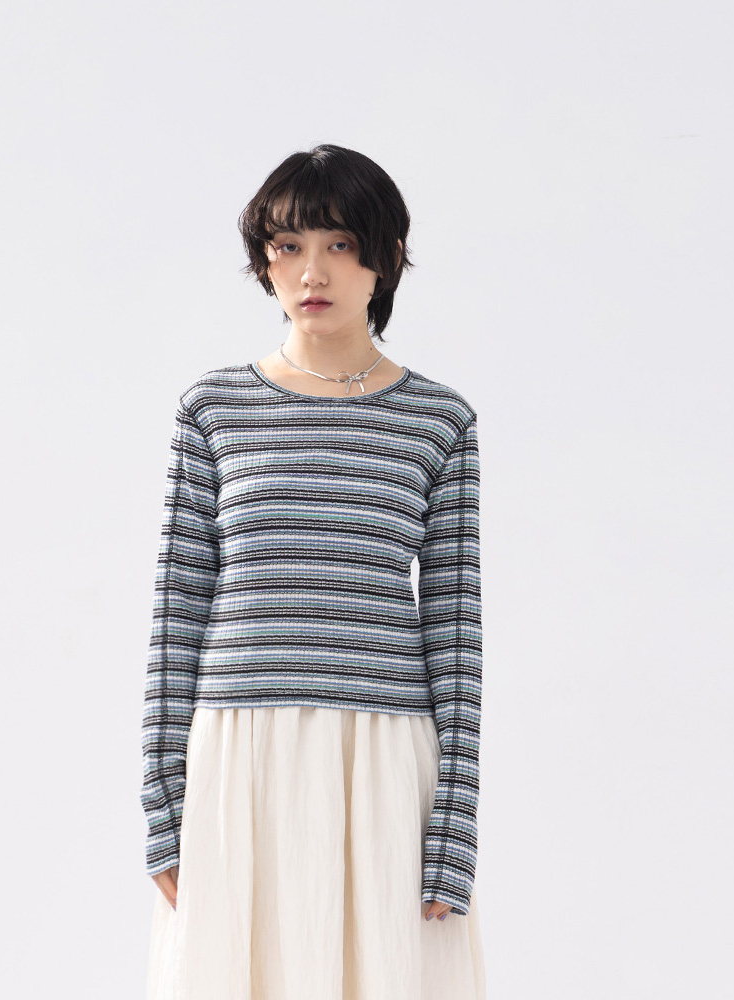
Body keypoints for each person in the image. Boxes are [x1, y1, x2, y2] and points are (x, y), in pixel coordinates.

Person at [141, 143, 486, 999]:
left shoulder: (439, 420)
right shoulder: (214, 409)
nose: (312, 271)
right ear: (264, 261)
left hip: (383, 762)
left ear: (388, 257)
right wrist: (163, 802)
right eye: (288, 246)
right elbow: (179, 609)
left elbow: (455, 629)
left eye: (340, 244)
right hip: (238, 760)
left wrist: (454, 825)